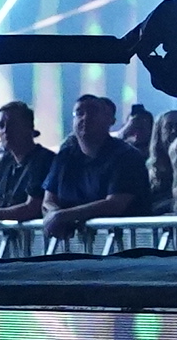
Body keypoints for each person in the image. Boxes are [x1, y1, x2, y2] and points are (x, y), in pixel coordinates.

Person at [43, 92, 159, 240]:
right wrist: (53, 215)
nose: (85, 118)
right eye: (79, 113)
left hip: (127, 243)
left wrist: (63, 216)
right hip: (76, 245)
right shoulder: (64, 157)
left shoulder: (127, 156)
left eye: (93, 112)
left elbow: (115, 204)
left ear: (109, 120)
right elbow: (48, 200)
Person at [0, 101, 54, 237]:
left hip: (37, 240)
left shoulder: (44, 159)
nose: (6, 131)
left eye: (13, 124)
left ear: (29, 126)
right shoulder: (5, 162)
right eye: (1, 126)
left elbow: (32, 207)